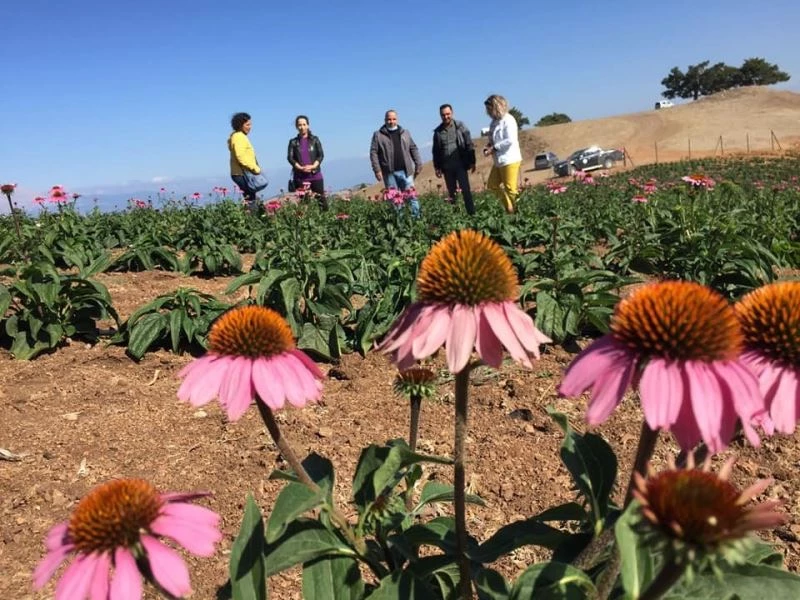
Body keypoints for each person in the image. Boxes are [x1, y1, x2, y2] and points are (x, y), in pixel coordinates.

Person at [369, 109, 423, 217]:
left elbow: (413, 148)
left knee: (412, 197)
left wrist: (418, 163)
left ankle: (417, 221)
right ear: (385, 120)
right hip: (389, 173)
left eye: (394, 119)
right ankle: (400, 223)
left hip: (406, 172)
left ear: (397, 119)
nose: (391, 121)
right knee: (395, 201)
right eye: (389, 119)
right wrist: (377, 170)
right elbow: (373, 153)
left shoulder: (405, 133)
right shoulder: (378, 135)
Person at [432, 104, 476, 215]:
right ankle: (456, 217)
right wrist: (437, 167)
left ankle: (472, 215)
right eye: (443, 115)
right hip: (447, 168)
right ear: (440, 115)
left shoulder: (460, 126)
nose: (446, 117)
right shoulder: (438, 132)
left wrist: (472, 161)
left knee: (466, 191)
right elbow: (436, 151)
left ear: (452, 113)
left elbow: (469, 143)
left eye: (448, 114)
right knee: (452, 194)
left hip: (461, 165)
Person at [483, 94, 522, 213]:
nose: (488, 112)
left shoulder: (508, 120)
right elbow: (493, 139)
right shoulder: (493, 123)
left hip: (510, 159)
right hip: (498, 161)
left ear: (496, 106)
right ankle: (509, 207)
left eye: (489, 108)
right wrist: (488, 146)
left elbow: (510, 140)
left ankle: (518, 212)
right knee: (492, 185)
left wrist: (494, 148)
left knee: (510, 189)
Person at [287, 115, 328, 210]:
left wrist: (313, 166)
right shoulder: (293, 142)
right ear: (296, 127)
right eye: (299, 125)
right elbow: (290, 158)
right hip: (300, 177)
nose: (302, 127)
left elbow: (321, 155)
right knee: (305, 204)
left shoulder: (315, 139)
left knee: (322, 202)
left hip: (315, 174)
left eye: (304, 124)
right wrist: (300, 168)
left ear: (308, 125)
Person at [228, 112, 263, 211]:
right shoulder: (238, 137)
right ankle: (252, 217)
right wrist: (255, 169)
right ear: (240, 125)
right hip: (242, 173)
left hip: (240, 173)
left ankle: (253, 215)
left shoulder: (238, 136)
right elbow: (240, 157)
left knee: (250, 197)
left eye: (250, 124)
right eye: (247, 125)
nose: (250, 127)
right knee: (250, 198)